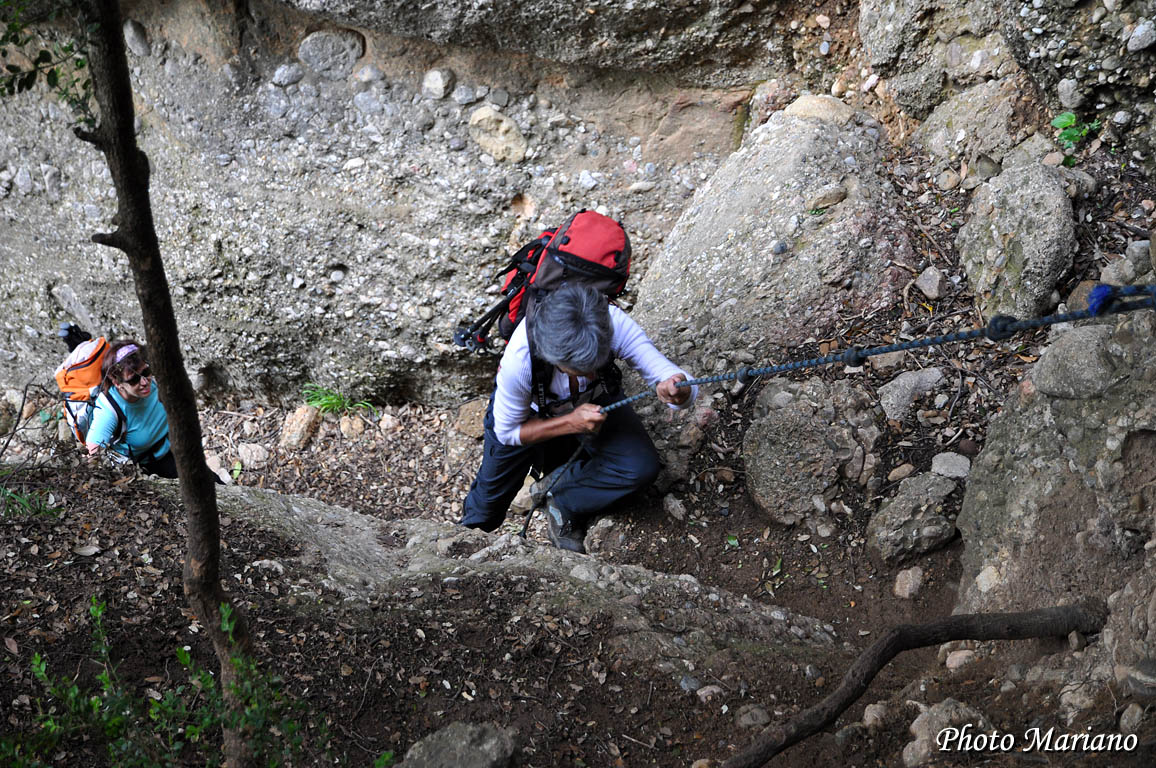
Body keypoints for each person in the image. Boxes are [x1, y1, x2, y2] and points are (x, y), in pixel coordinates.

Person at [460, 282, 697, 553]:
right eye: (580, 369)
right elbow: (507, 432)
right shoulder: (520, 359)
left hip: (593, 400)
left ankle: (562, 498)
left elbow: (669, 375)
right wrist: (570, 423)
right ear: (552, 358)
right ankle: (461, 549)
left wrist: (678, 390)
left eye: (596, 364)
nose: (591, 374)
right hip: (528, 415)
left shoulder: (609, 322)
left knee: (638, 467)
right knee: (487, 507)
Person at [85, 339, 177, 479]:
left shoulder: (155, 381)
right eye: (134, 380)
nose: (144, 382)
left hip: (175, 444)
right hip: (150, 464)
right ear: (117, 383)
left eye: (146, 371)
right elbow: (92, 456)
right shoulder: (109, 410)